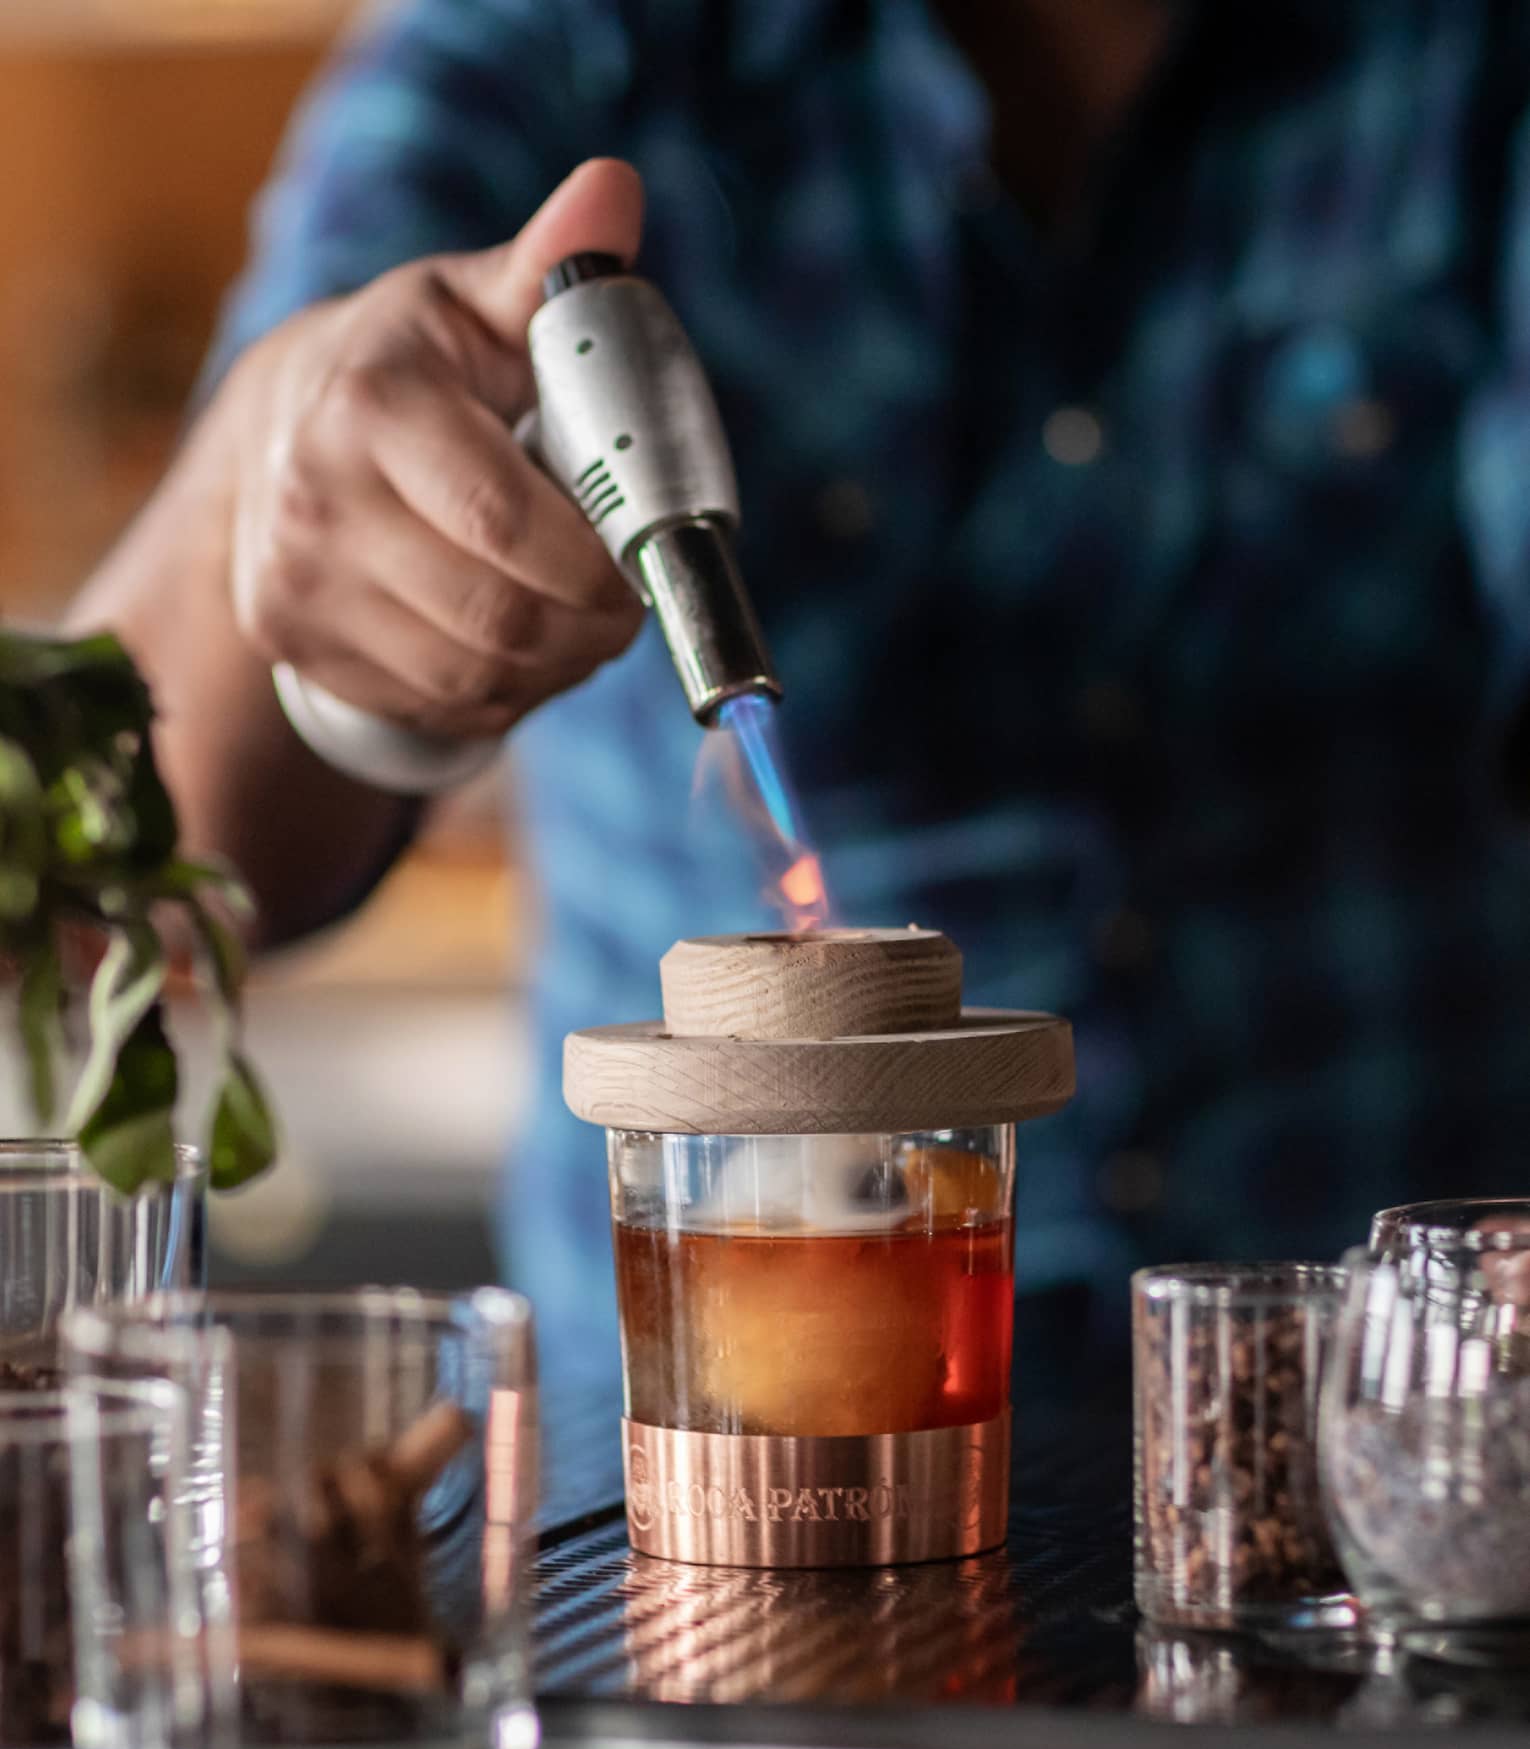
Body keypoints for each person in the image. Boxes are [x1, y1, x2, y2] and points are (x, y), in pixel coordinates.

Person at [68, 0, 1530, 1387]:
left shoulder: (1461, 57)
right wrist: (279, 487)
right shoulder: (573, 39)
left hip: (1371, 1430)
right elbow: (117, 848)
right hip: (707, 1460)